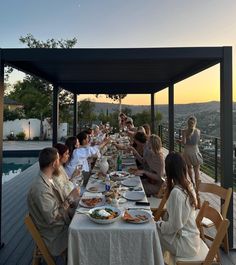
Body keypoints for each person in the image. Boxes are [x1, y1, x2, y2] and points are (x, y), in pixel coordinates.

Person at [27, 147, 80, 256]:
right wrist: (70, 199)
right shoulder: (41, 189)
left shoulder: (48, 179)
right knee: (86, 237)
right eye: (58, 160)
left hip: (62, 225)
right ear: (53, 164)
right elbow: (53, 218)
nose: (59, 162)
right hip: (56, 235)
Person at [156, 152, 200, 258]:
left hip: (185, 244)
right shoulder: (188, 186)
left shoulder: (176, 193)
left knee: (150, 232)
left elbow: (175, 225)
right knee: (153, 229)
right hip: (192, 239)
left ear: (169, 171)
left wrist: (159, 224)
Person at [179, 116, 203, 190]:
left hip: (187, 152)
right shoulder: (198, 131)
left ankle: (192, 182)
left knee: (189, 168)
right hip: (195, 151)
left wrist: (179, 141)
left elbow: (184, 142)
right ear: (195, 123)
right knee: (197, 171)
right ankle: (197, 187)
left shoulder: (184, 131)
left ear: (187, 123)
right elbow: (198, 142)